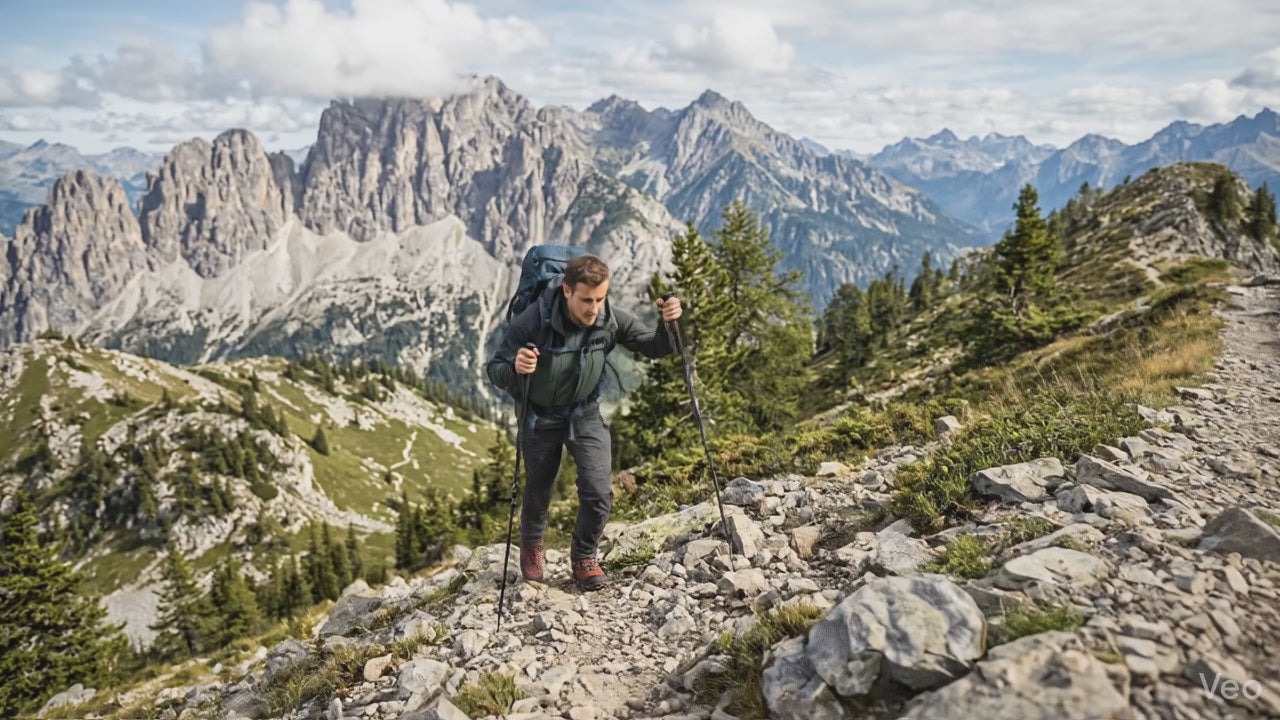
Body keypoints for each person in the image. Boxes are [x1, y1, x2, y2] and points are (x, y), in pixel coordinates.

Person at [486, 254, 682, 590]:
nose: (594, 308)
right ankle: (532, 548)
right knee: (539, 489)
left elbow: (656, 347)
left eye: (601, 298)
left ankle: (584, 557)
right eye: (586, 300)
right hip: (539, 416)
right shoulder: (532, 322)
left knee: (597, 491)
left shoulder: (610, 319)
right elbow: (495, 370)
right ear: (566, 291)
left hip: (585, 412)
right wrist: (515, 367)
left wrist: (670, 323)